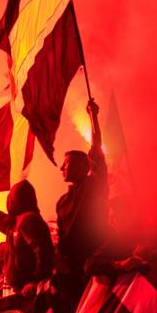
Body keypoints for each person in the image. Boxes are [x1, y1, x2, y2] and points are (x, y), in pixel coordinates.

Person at [55, 98, 110, 278]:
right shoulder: (62, 202)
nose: (62, 168)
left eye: (66, 164)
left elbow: (96, 148)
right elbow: (62, 240)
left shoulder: (93, 185)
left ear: (81, 165)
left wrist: (93, 116)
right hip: (73, 270)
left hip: (98, 261)